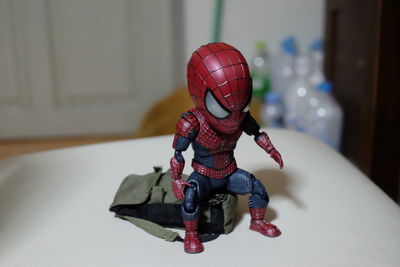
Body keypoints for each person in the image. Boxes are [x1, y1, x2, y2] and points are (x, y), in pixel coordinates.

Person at [170, 43, 283, 254]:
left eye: (240, 110)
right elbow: (178, 153)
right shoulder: (192, 122)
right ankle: (192, 234)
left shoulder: (241, 116)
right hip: (203, 175)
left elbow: (257, 134)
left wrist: (271, 150)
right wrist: (176, 178)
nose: (233, 119)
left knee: (258, 188)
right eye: (223, 109)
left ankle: (257, 222)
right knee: (190, 197)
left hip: (229, 173)